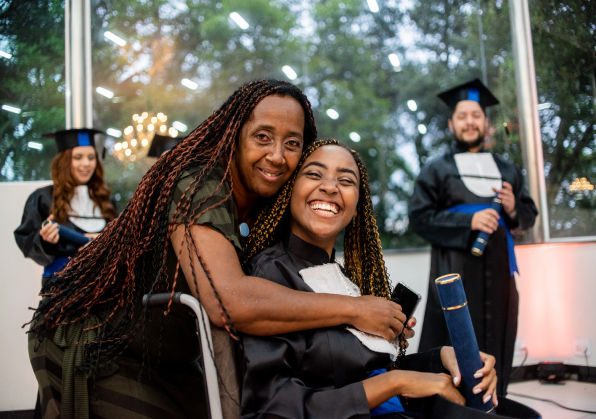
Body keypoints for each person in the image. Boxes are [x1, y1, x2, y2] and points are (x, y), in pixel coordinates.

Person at [27, 80, 411, 418]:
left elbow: (285, 299)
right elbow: (229, 301)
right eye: (263, 137)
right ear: (234, 134)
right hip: (96, 338)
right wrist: (356, 310)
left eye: (292, 144)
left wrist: (375, 325)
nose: (277, 155)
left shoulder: (268, 198)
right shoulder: (201, 186)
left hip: (165, 350)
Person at [241, 139, 498, 418]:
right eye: (314, 174)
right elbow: (273, 406)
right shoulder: (269, 275)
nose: (330, 187)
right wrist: (396, 382)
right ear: (289, 190)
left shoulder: (344, 279)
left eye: (346, 181)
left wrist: (442, 359)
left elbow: (358, 372)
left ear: (357, 207)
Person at [409, 79, 538, 396]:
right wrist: (468, 221)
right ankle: (449, 409)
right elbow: (419, 218)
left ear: (486, 122)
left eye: (476, 115)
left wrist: (511, 208)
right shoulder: (436, 170)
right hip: (455, 274)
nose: (470, 122)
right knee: (454, 345)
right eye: (463, 116)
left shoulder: (507, 169)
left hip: (499, 277)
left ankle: (497, 404)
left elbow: (528, 213)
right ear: (452, 123)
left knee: (499, 337)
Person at [14, 128, 116, 284]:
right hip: (62, 287)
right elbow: (26, 241)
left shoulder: (106, 200)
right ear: (65, 160)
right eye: (78, 157)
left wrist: (103, 241)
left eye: (91, 157)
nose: (86, 164)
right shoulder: (43, 198)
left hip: (103, 286)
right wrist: (45, 241)